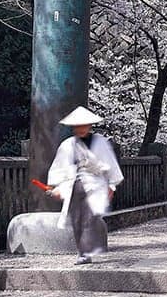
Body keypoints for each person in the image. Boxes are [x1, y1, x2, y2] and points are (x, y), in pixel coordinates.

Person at [46, 106, 124, 264]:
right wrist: (57, 188)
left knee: (90, 218)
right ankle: (82, 253)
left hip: (96, 184)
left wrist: (112, 186)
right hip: (75, 184)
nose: (81, 128)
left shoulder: (100, 142)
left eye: (84, 125)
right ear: (74, 127)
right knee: (77, 219)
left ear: (89, 126)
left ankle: (87, 250)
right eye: (78, 125)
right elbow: (60, 168)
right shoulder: (68, 145)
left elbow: (110, 165)